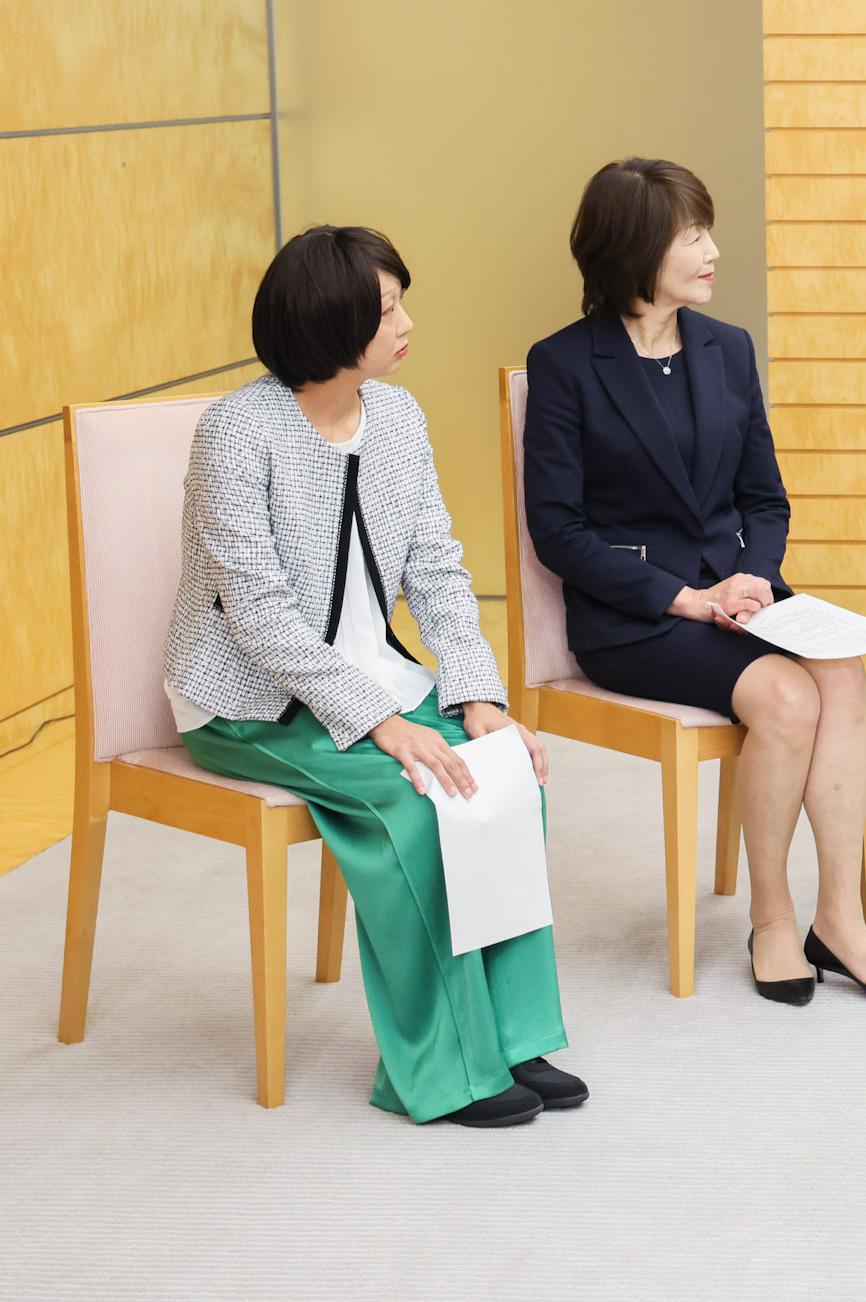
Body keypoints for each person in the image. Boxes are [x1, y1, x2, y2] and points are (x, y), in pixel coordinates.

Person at [164, 226, 583, 1126]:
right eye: (388, 307)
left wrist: (477, 695)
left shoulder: (396, 416)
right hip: (248, 700)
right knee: (412, 799)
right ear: (329, 321)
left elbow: (436, 564)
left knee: (504, 773)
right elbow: (259, 614)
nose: (408, 322)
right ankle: (439, 1071)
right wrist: (382, 725)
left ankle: (509, 1037)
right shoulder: (236, 432)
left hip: (372, 672)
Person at [524, 158, 866, 1005]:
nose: (713, 250)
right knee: (786, 700)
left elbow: (764, 498)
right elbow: (559, 531)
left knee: (841, 675)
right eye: (692, 235)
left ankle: (841, 919)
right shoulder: (566, 363)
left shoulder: (727, 348)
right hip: (637, 617)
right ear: (635, 251)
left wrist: (754, 574)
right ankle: (774, 918)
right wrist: (685, 597)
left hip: (738, 595)